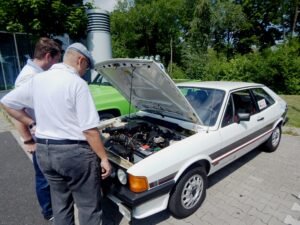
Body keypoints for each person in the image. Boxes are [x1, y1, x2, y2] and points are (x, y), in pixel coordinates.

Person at [1, 42, 111, 225]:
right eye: (86, 66)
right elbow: (90, 130)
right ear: (80, 60)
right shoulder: (78, 83)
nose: (85, 71)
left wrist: (31, 123)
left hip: (45, 151)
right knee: (88, 207)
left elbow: (7, 102)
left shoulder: (38, 79)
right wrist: (104, 158)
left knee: (60, 204)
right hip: (74, 155)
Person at [13, 37, 62, 221]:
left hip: (45, 136)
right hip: (38, 140)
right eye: (56, 60)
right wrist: (27, 139)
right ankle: (49, 212)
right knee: (43, 178)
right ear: (48, 56)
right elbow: (14, 108)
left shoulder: (37, 74)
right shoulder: (29, 77)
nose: (56, 64)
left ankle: (53, 206)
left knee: (48, 175)